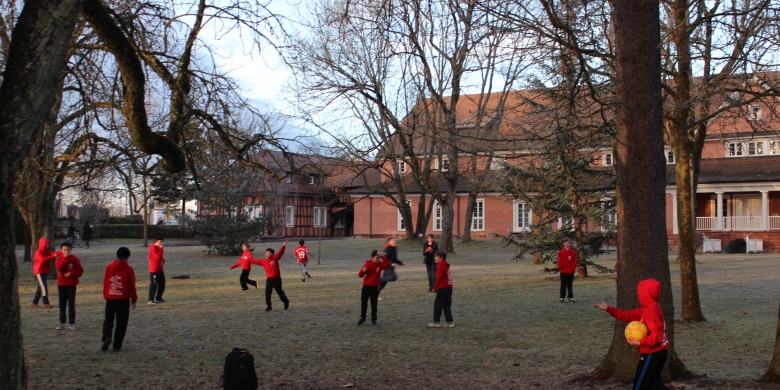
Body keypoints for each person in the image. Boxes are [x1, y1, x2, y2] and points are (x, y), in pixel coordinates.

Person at [594, 279, 670, 390]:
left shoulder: (652, 311)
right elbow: (628, 315)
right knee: (654, 384)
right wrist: (609, 309)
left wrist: (640, 342)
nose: (638, 294)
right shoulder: (647, 309)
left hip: (653, 354)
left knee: (639, 385)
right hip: (657, 353)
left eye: (639, 292)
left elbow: (657, 335)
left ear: (646, 294)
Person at [102, 247, 137, 352]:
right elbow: (132, 285)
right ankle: (117, 345)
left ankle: (107, 336)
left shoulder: (109, 267)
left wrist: (106, 294)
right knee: (121, 322)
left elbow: (106, 282)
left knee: (108, 318)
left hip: (110, 296)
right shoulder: (128, 269)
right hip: (123, 298)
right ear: (127, 257)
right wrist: (134, 299)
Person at [357, 250, 394, 325]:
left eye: (378, 258)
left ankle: (374, 319)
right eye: (376, 258)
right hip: (366, 287)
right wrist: (363, 271)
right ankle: (363, 318)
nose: (378, 259)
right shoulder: (367, 264)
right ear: (372, 257)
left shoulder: (380, 265)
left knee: (374, 304)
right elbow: (360, 275)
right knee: (364, 303)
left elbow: (386, 264)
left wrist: (382, 256)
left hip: (375, 288)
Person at [255, 241, 289, 311]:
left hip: (276, 279)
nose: (267, 254)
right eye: (266, 253)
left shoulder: (275, 258)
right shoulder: (264, 261)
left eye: (269, 253)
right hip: (269, 280)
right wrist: (247, 259)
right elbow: (255, 260)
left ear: (272, 254)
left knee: (280, 292)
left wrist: (283, 246)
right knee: (267, 292)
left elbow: (280, 253)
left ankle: (285, 301)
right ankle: (269, 305)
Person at [56, 242, 83, 330]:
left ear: (71, 250)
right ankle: (62, 322)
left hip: (71, 284)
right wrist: (65, 259)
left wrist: (71, 273)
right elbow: (60, 268)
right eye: (64, 250)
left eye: (68, 250)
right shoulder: (59, 259)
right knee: (62, 304)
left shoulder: (75, 259)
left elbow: (80, 271)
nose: (66, 251)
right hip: (61, 284)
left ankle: (72, 323)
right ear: (62, 250)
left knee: (71, 304)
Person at [428, 250, 454, 328]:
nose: (434, 258)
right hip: (449, 287)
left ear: (441, 258)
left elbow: (438, 279)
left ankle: (436, 322)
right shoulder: (445, 265)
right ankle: (450, 322)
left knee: (437, 305)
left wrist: (435, 288)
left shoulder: (441, 266)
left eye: (436, 256)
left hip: (443, 288)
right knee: (446, 305)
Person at [32, 238, 60, 309]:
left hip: (44, 272)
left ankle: (34, 303)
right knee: (44, 287)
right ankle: (46, 303)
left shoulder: (47, 252)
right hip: (39, 272)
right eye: (46, 244)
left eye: (48, 244)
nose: (47, 245)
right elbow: (42, 260)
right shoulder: (38, 252)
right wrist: (52, 257)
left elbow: (53, 253)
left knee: (40, 288)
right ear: (42, 244)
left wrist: (62, 252)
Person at [557, 238, 578, 303]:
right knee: (563, 285)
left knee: (570, 285)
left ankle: (571, 297)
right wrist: (561, 268)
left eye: (568, 242)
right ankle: (562, 297)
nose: (567, 244)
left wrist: (572, 269)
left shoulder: (572, 251)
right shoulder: (561, 252)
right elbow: (559, 261)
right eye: (566, 242)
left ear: (570, 243)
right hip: (563, 272)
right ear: (563, 244)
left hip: (570, 272)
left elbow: (574, 261)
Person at [147, 237, 166, 305]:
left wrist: (163, 260)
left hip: (159, 269)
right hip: (154, 270)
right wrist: (161, 249)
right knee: (153, 284)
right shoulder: (153, 247)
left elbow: (160, 257)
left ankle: (158, 297)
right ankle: (150, 299)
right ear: (156, 241)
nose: (161, 244)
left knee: (162, 283)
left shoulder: (158, 248)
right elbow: (157, 257)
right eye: (160, 242)